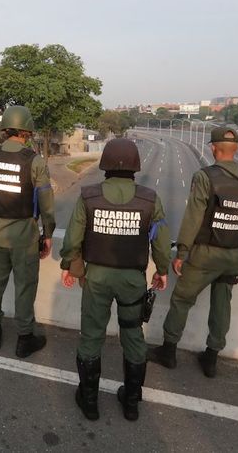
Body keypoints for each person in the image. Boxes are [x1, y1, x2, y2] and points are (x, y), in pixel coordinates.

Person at [59, 138, 171, 422]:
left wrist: (72, 268)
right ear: (135, 166)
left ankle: (89, 401)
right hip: (132, 280)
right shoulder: (149, 199)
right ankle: (131, 403)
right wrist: (161, 270)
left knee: (91, 336)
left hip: (96, 277)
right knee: (133, 337)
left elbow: (73, 239)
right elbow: (160, 240)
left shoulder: (89, 196)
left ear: (105, 164)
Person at [148, 127, 238, 377]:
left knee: (182, 300)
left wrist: (182, 252)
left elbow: (193, 217)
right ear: (236, 149)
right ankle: (211, 359)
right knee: (221, 306)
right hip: (233, 256)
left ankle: (169, 352)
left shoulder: (205, 176)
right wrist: (237, 217)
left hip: (205, 255)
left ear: (213, 148)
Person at [0, 105, 55, 358]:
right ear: (27, 131)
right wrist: (48, 234)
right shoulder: (35, 161)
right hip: (24, 237)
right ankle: (24, 338)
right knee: (25, 287)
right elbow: (46, 204)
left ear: (6, 129)